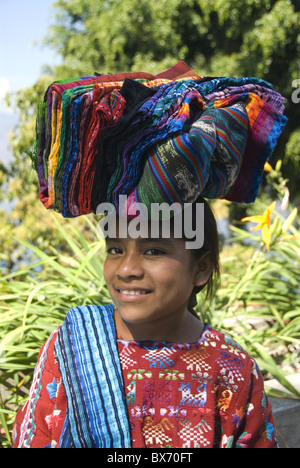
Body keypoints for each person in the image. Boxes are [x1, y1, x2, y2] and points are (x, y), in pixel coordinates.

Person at [13, 62, 287, 448]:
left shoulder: (232, 371)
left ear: (201, 268)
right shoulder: (69, 349)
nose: (126, 269)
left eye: (154, 250)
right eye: (115, 249)